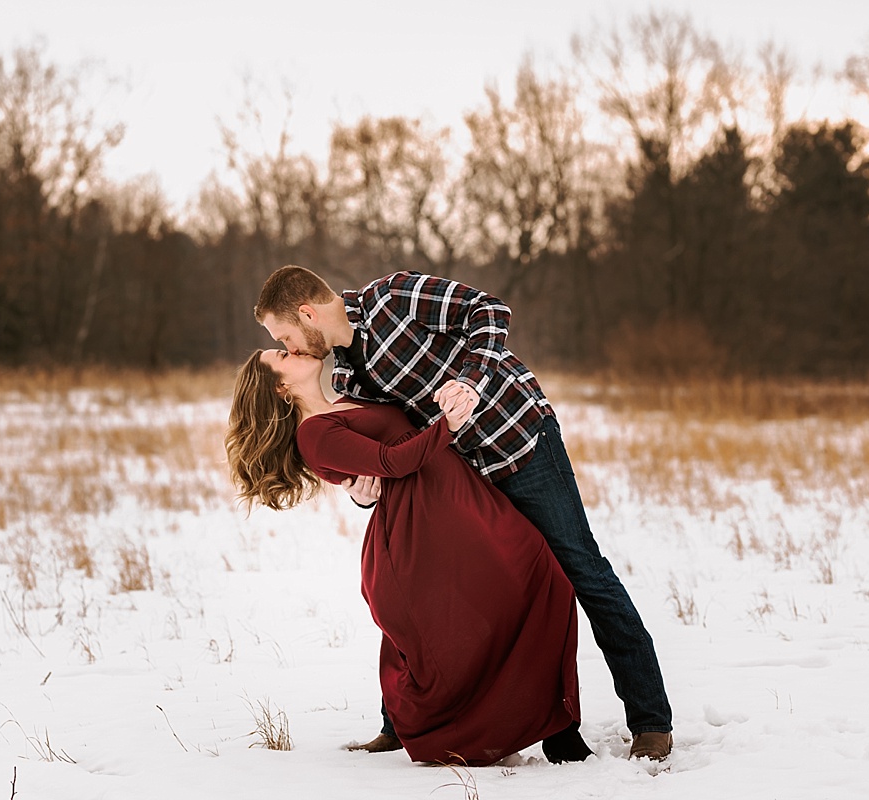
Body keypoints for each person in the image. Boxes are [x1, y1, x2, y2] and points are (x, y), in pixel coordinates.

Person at [254, 266, 674, 761]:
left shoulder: (394, 297)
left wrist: (471, 382)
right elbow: (379, 450)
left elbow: (490, 312)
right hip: (467, 484)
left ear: (307, 313)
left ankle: (650, 721)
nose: (292, 348)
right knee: (431, 599)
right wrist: (362, 495)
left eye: (285, 336)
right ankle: (407, 722)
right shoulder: (345, 376)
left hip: (519, 446)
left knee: (582, 571)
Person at [225, 347, 593, 767]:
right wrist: (448, 425)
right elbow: (392, 461)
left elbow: (376, 465)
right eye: (282, 353)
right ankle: (535, 732)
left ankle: (557, 727)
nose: (293, 349)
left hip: (452, 500)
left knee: (544, 581)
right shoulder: (313, 433)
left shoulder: (345, 401)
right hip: (425, 525)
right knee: (511, 599)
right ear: (281, 386)